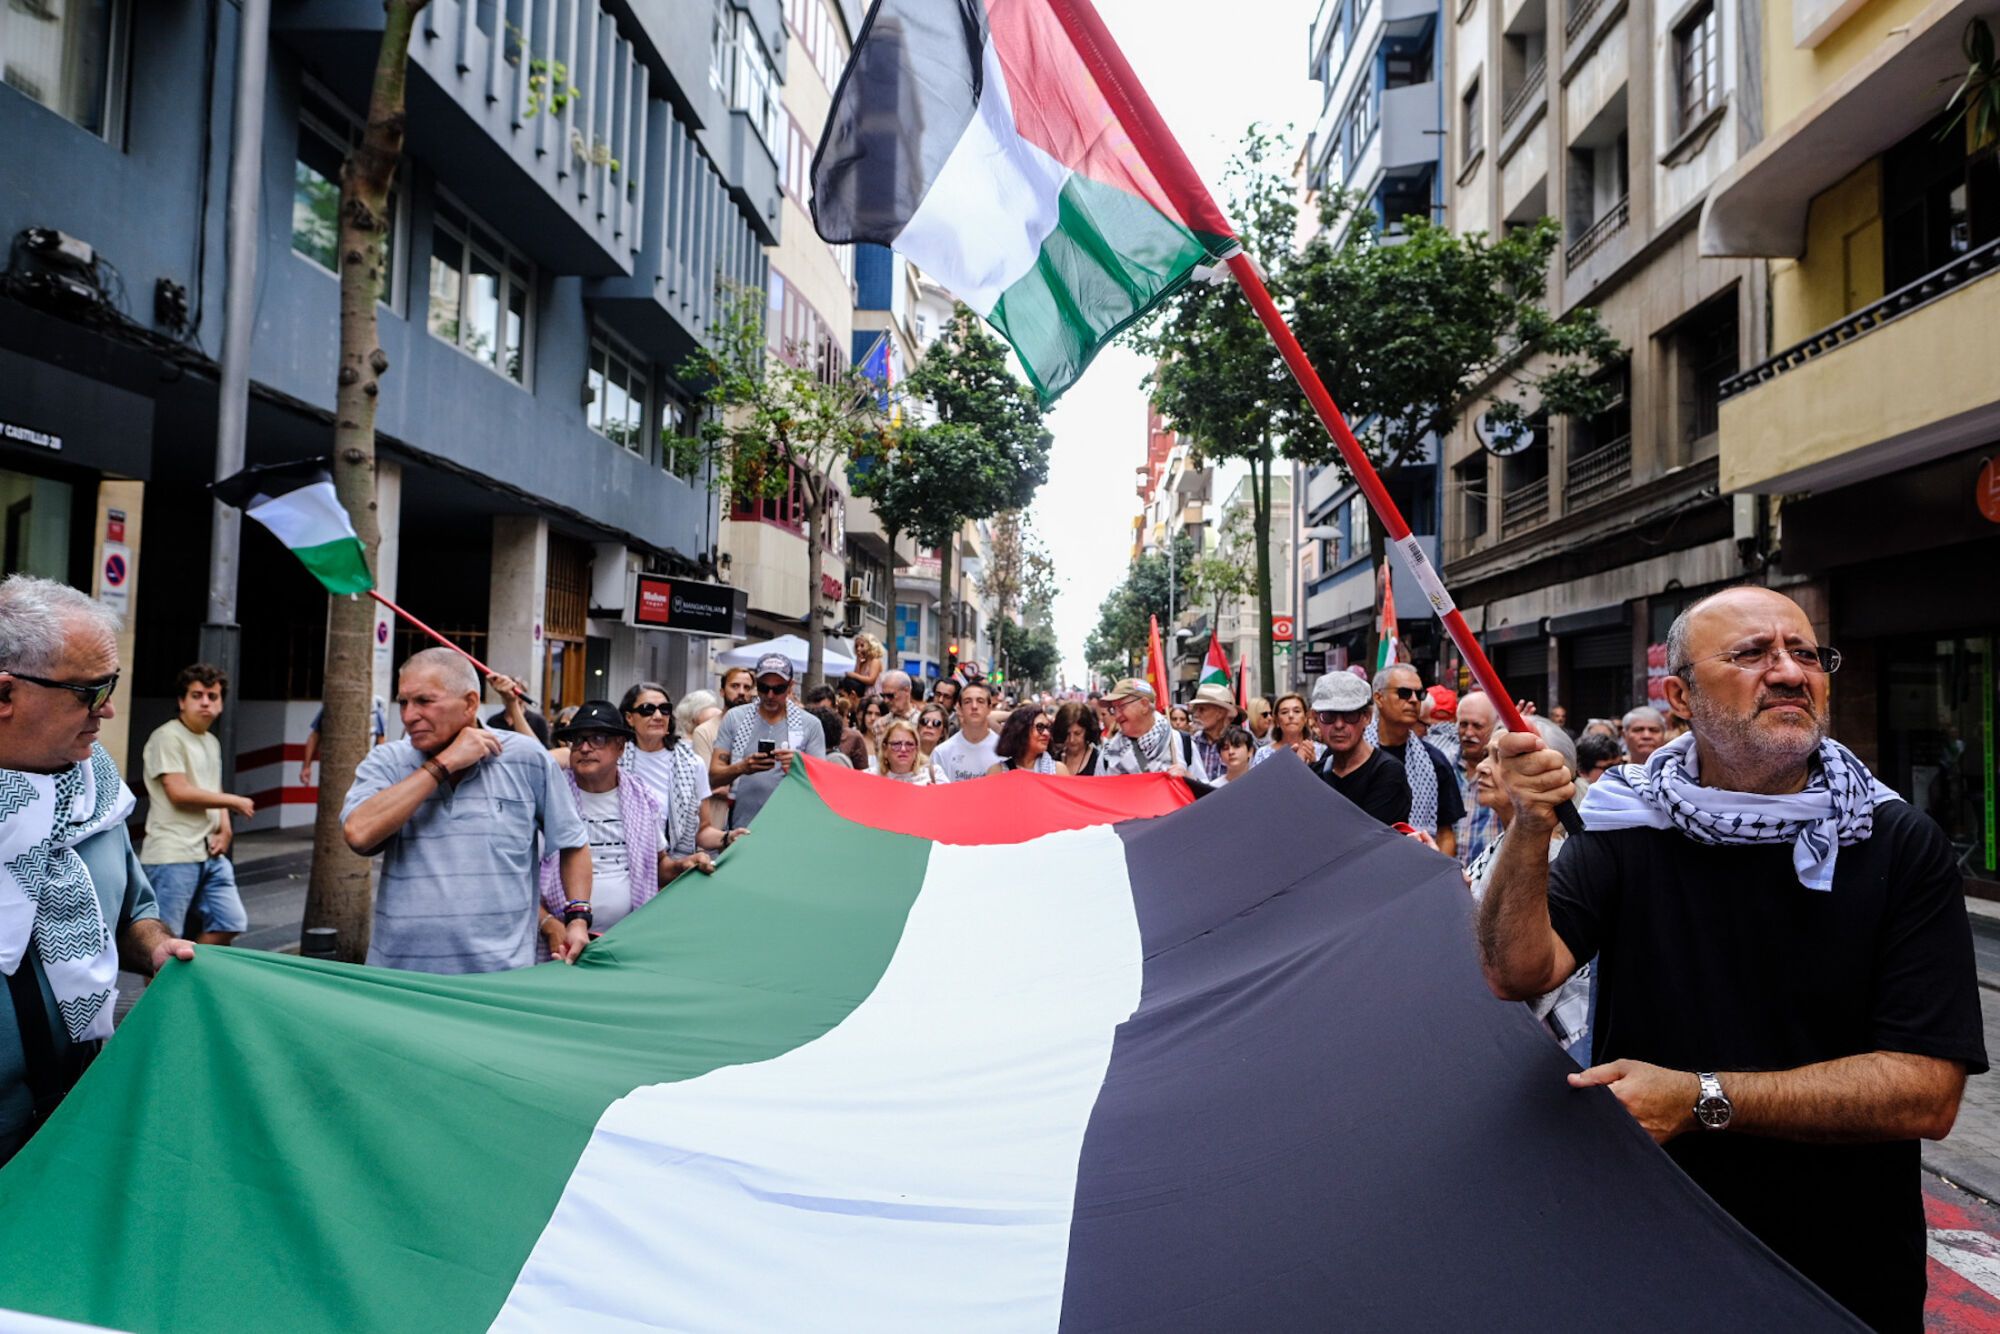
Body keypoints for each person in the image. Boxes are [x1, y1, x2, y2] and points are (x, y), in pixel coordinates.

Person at [1479, 585, 1984, 1333]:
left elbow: (1926, 1094)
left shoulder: (1896, 840)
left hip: (1838, 1267)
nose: (1788, 672)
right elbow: (1517, 972)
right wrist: (1529, 826)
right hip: (1650, 1244)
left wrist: (1699, 1099)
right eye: (1752, 654)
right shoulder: (1626, 819)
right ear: (1679, 696)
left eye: (1806, 654)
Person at [0, 576, 193, 1166]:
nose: (107, 709)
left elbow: (133, 911)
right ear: (5, 693)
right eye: (89, 691)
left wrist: (156, 948)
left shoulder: (95, 792)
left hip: (78, 1117)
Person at [341, 650, 591, 973]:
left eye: (423, 701)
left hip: (499, 978)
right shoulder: (387, 761)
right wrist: (442, 765)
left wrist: (578, 918)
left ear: (470, 703)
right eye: (403, 702)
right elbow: (358, 833)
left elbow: (572, 842)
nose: (408, 715)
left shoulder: (526, 759)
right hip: (400, 976)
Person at [537, 702, 715, 958]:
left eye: (597, 739)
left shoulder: (642, 796)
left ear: (620, 746)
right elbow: (523, 877)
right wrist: (548, 924)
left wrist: (683, 866)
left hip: (627, 939)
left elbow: (657, 866)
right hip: (561, 941)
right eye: (577, 740)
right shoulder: (549, 797)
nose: (585, 748)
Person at [1463, 716, 1591, 1063]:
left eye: (1501, 759)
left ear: (1548, 772)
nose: (1484, 768)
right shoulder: (1501, 848)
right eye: (1487, 755)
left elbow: (1523, 981)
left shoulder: (1560, 863)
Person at [140, 663, 256, 946]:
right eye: (197, 695)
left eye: (212, 696)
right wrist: (234, 801)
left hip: (210, 854)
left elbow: (210, 787)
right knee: (165, 942)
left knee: (230, 921)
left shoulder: (211, 741)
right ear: (182, 701)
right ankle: (167, 990)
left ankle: (189, 978)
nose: (205, 702)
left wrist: (225, 828)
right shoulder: (167, 737)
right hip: (173, 853)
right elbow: (178, 792)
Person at [708, 653, 826, 830]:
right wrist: (742, 767)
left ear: (790, 687)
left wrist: (800, 765)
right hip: (741, 828)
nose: (770, 695)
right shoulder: (735, 718)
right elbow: (713, 777)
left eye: (778, 689)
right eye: (763, 688)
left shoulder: (810, 724)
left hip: (792, 828)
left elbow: (823, 784)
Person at [617, 682, 731, 861]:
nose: (657, 716)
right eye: (647, 709)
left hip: (675, 868)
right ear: (629, 717)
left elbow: (703, 831)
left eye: (664, 709)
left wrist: (727, 838)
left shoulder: (692, 764)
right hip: (623, 864)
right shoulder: (614, 760)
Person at [1364, 665, 1464, 857]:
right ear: (1378, 698)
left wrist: (1439, 875)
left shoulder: (1435, 761)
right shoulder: (1355, 756)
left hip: (1420, 871)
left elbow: (1445, 832)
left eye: (1419, 694)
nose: (1413, 700)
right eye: (1403, 693)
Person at [1308, 673, 1411, 827]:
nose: (1339, 725)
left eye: (1350, 715)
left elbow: (1369, 840)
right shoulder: (1314, 774)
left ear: (1367, 717)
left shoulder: (1388, 773)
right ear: (1315, 718)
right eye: (1329, 716)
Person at [1098, 679, 1191, 777]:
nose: (1117, 716)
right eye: (1113, 709)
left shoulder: (1181, 742)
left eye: (1121, 707)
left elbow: (1204, 789)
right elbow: (1098, 789)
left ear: (1144, 705)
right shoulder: (1108, 752)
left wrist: (1188, 779)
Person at [1454, 691, 1500, 869]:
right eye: (1463, 724)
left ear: (1494, 727)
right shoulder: (1443, 767)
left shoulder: (1504, 775)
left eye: (1477, 726)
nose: (1468, 732)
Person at [299, 694, 388, 784]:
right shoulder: (335, 704)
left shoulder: (372, 706)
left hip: (363, 770)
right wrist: (306, 767)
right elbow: (314, 736)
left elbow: (381, 740)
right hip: (336, 770)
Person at [930, 680, 1003, 783]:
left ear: (989, 708)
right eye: (967, 701)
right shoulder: (942, 753)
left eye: (980, 701)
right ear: (959, 708)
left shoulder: (1005, 752)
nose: (974, 706)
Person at [689, 667, 755, 767]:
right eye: (735, 686)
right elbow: (707, 777)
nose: (741, 692)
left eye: (747, 687)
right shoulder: (704, 731)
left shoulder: (760, 726)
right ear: (722, 692)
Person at [804, 685, 870, 769]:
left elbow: (863, 774)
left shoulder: (853, 738)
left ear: (835, 708)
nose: (819, 716)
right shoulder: (802, 737)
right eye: (813, 712)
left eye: (825, 710)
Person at [1252, 692, 1324, 767]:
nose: (1291, 716)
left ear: (1305, 717)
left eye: (1297, 711)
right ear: (1276, 720)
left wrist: (1315, 765)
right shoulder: (1263, 754)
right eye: (1284, 712)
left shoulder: (1322, 751)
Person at [1184, 683, 1236, 784]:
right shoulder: (1189, 743)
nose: (1196, 714)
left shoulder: (1238, 744)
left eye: (1202, 709)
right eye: (1195, 709)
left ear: (1220, 714)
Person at [876, 717, 947, 784]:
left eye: (909, 744)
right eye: (896, 744)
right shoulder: (872, 777)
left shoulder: (934, 774)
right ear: (885, 749)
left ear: (916, 749)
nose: (903, 749)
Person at [987, 708, 1058, 775]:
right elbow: (990, 717)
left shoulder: (1057, 770)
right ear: (1021, 730)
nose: (1047, 733)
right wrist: (1022, 714)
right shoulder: (998, 771)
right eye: (1040, 727)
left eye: (1048, 728)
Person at [1051, 701, 1101, 776]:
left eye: (1077, 733)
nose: (1072, 740)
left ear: (1087, 731)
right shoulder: (1053, 760)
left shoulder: (1099, 761)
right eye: (1067, 734)